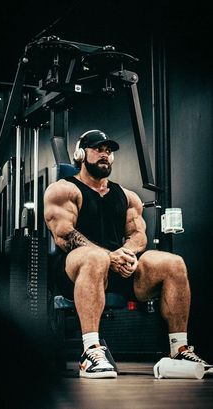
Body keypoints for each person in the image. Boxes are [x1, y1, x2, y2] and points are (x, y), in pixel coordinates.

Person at [44, 129, 212, 379]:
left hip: (118, 269)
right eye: (98, 149)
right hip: (75, 272)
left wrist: (128, 253)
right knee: (95, 257)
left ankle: (179, 350)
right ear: (81, 154)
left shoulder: (127, 196)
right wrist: (108, 257)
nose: (105, 154)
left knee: (173, 263)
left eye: (109, 151)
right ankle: (91, 351)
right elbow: (64, 235)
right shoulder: (64, 190)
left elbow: (138, 235)